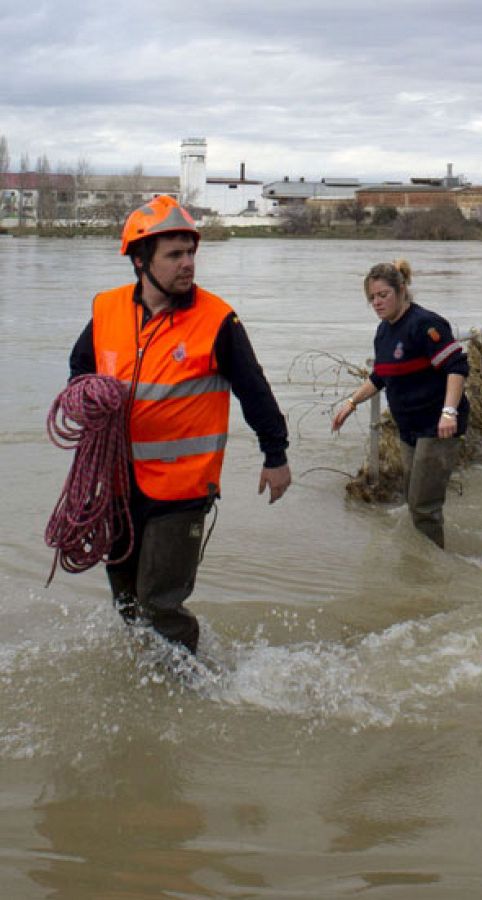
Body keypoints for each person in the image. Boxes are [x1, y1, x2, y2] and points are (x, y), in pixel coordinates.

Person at [67, 195, 292, 654]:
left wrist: (276, 454)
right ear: (140, 260)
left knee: (160, 603)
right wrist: (82, 396)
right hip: (115, 485)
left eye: (191, 252)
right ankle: (144, 677)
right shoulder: (106, 310)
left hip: (182, 490)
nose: (188, 263)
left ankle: (194, 690)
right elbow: (79, 369)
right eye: (174, 254)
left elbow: (255, 390)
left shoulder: (217, 320)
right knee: (126, 600)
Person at [332, 260, 469, 548]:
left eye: (383, 295)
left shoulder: (426, 324)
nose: (377, 303)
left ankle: (430, 576)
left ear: (402, 290)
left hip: (438, 426)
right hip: (408, 427)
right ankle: (421, 561)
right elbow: (381, 375)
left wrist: (449, 412)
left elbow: (456, 367)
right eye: (372, 298)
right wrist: (351, 403)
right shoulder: (383, 332)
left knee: (423, 506)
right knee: (414, 498)